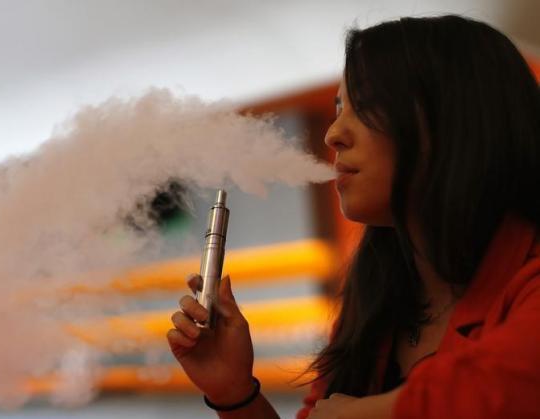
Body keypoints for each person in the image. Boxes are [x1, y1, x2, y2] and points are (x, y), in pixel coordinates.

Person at [167, 14, 540, 419]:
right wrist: (235, 392)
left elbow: (506, 390)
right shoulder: (375, 296)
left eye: (366, 105)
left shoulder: (529, 279)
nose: (332, 134)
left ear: (457, 118)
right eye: (339, 107)